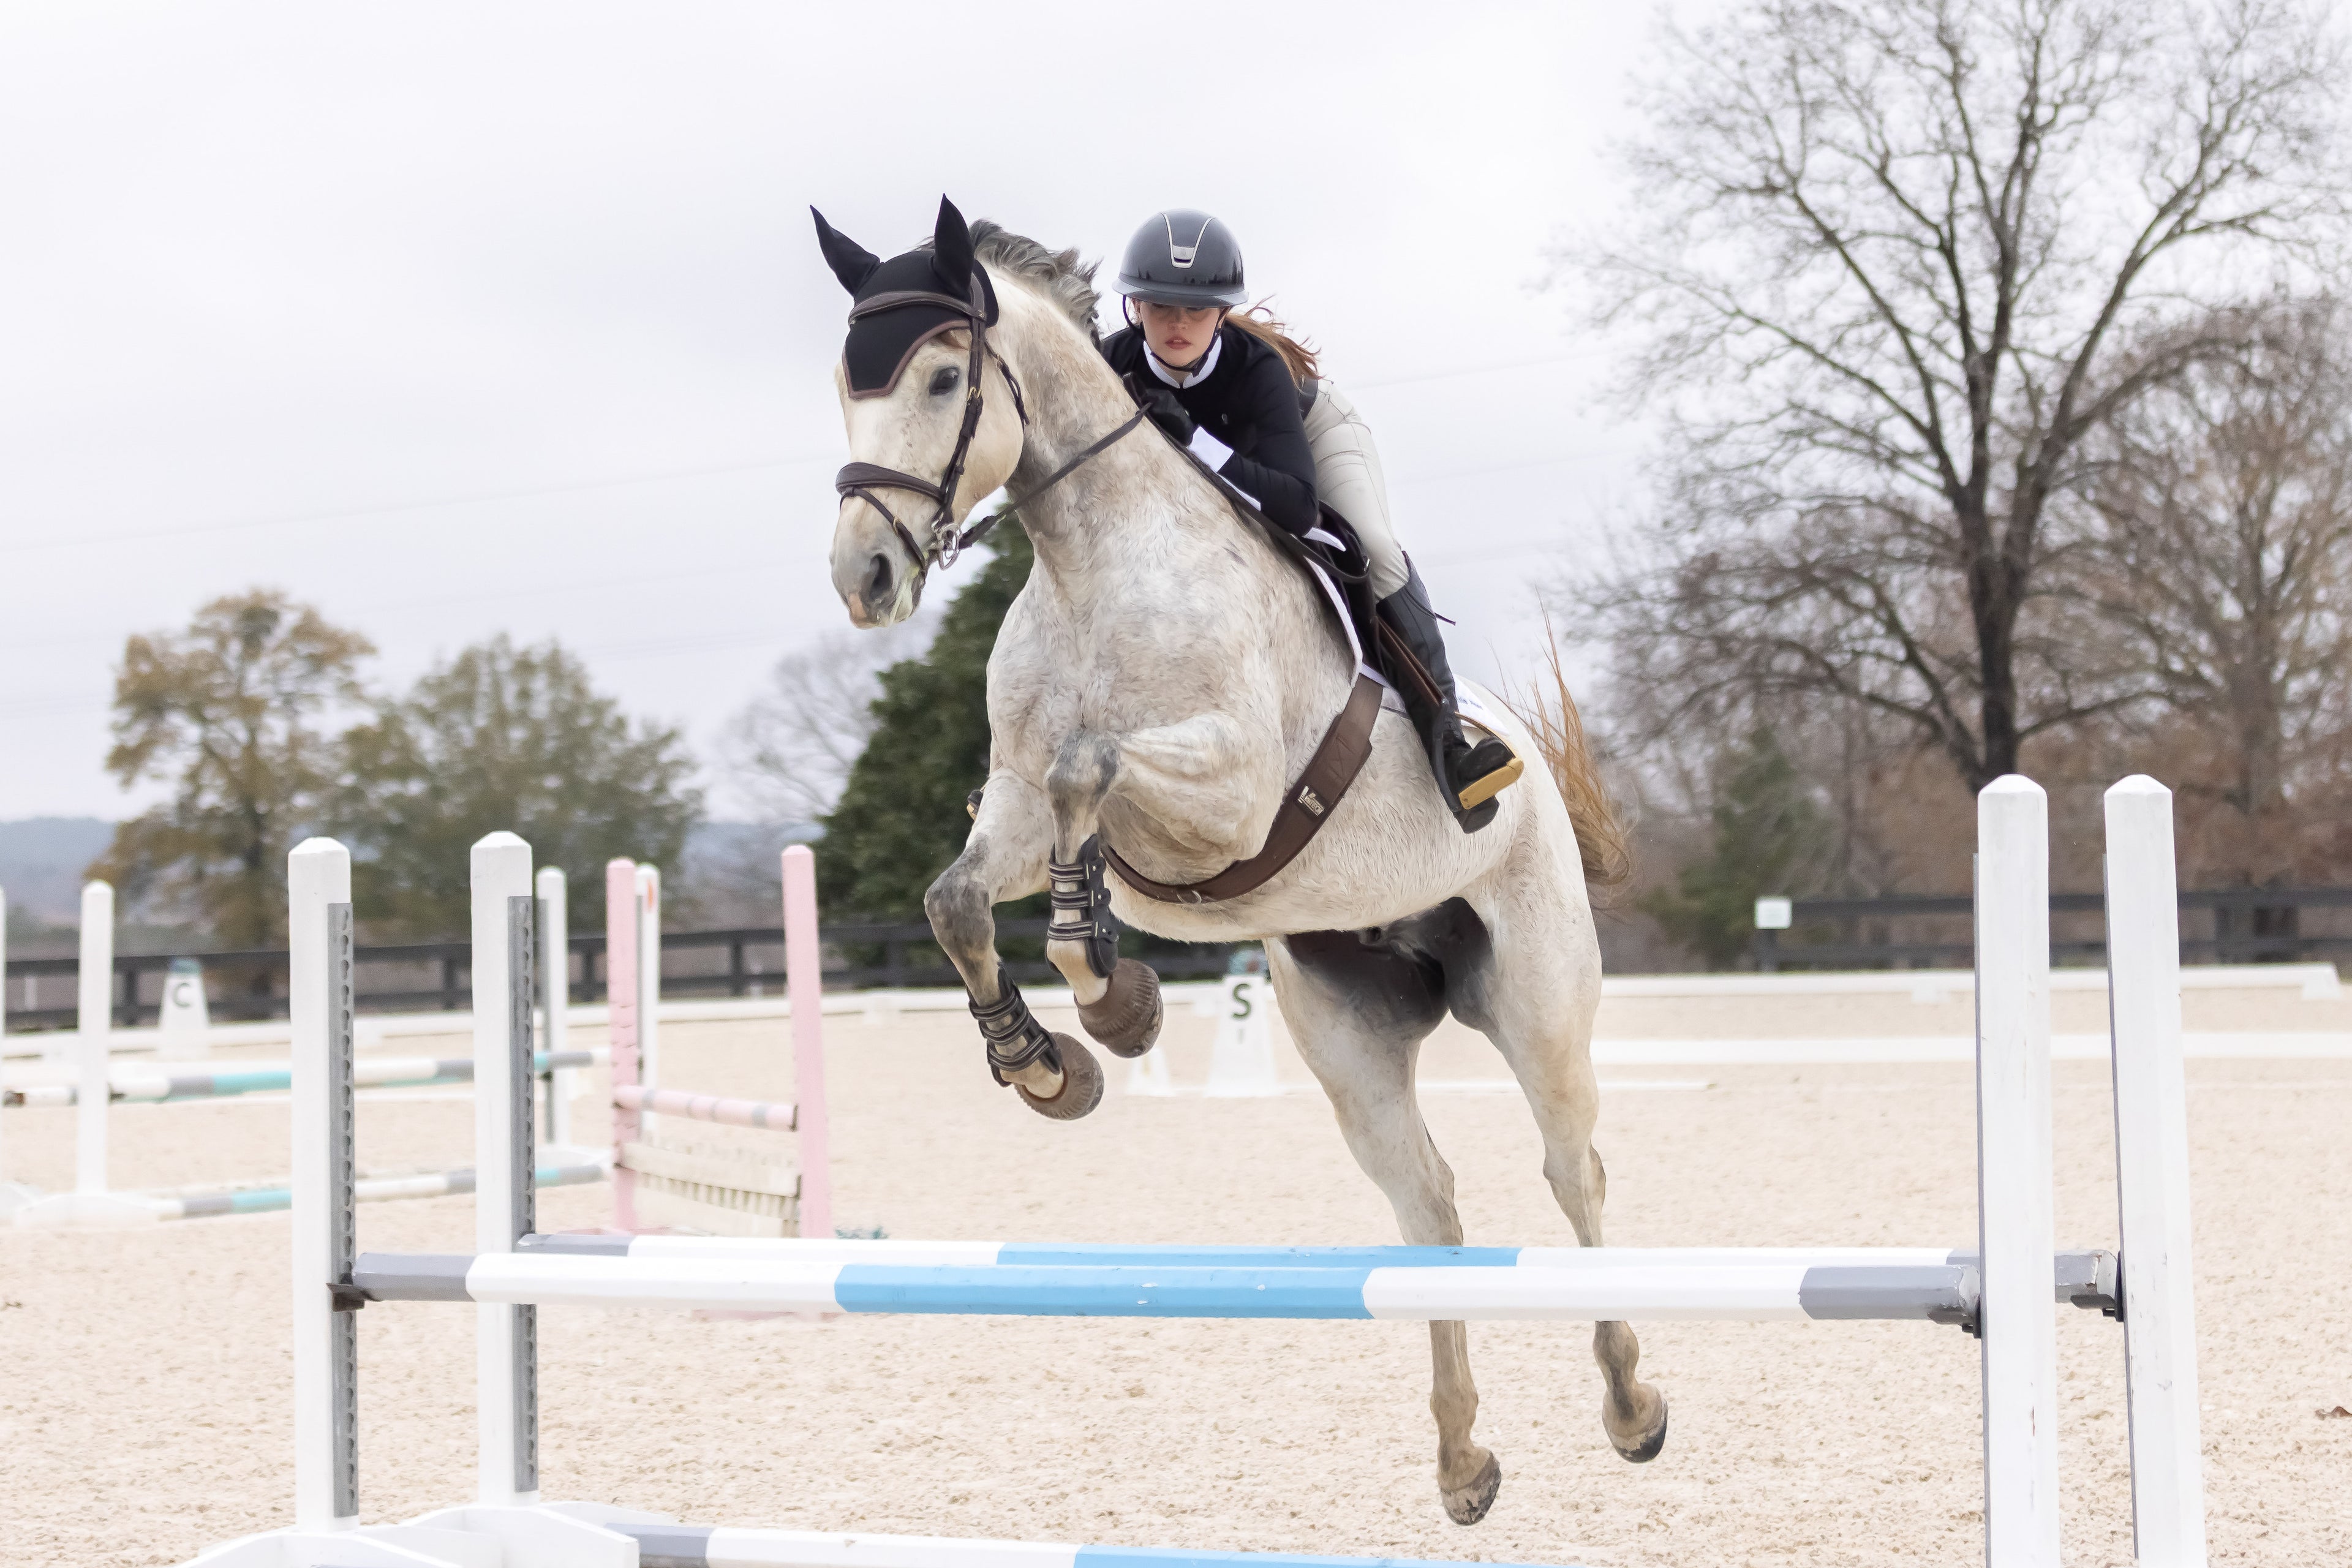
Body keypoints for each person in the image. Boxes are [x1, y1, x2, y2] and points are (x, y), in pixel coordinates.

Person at [1099, 208, 1521, 832]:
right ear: (1134, 307)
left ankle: (1453, 748)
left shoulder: (1257, 370)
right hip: (1214, 475)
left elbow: (1296, 504)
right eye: (1161, 307)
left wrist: (1193, 440)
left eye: (1196, 308)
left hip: (1310, 436)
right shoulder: (1111, 367)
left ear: (1222, 311)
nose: (1178, 323)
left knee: (1374, 546)